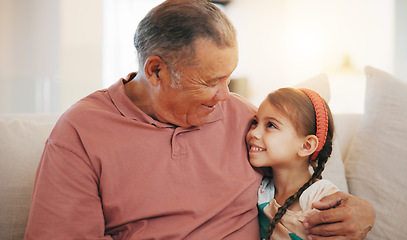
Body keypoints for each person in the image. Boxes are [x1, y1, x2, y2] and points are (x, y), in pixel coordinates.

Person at [25, 0, 375, 239]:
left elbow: (299, 173)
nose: (225, 95)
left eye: (229, 77)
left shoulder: (245, 119)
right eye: (210, 81)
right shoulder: (81, 133)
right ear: (156, 71)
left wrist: (362, 213)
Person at [247, 87, 337, 240]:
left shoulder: (322, 198)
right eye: (255, 122)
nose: (253, 133)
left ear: (306, 146)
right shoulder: (261, 189)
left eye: (271, 125)